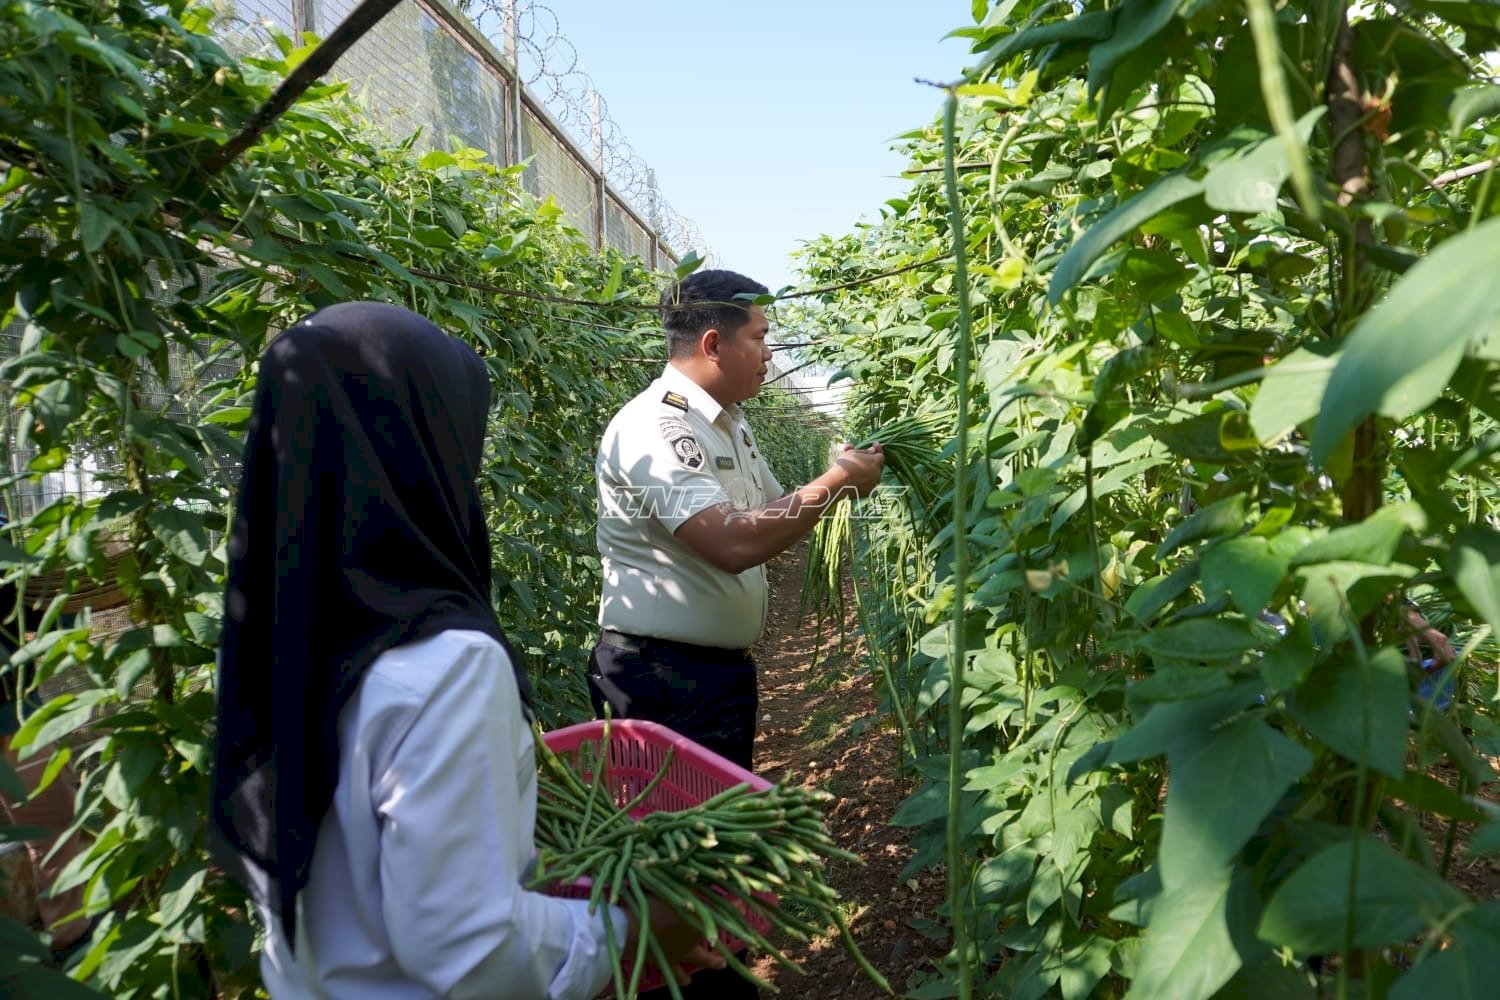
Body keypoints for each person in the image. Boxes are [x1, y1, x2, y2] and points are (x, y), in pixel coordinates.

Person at [209, 302, 721, 999]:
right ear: (423, 451)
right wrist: (640, 929)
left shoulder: (281, 644)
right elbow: (472, 948)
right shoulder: (447, 666)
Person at [0, 513, 92, 963]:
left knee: (53, 824)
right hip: (14, 716)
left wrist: (76, 577)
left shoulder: (9, 534)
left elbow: (53, 611)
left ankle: (72, 942)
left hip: (13, 717)